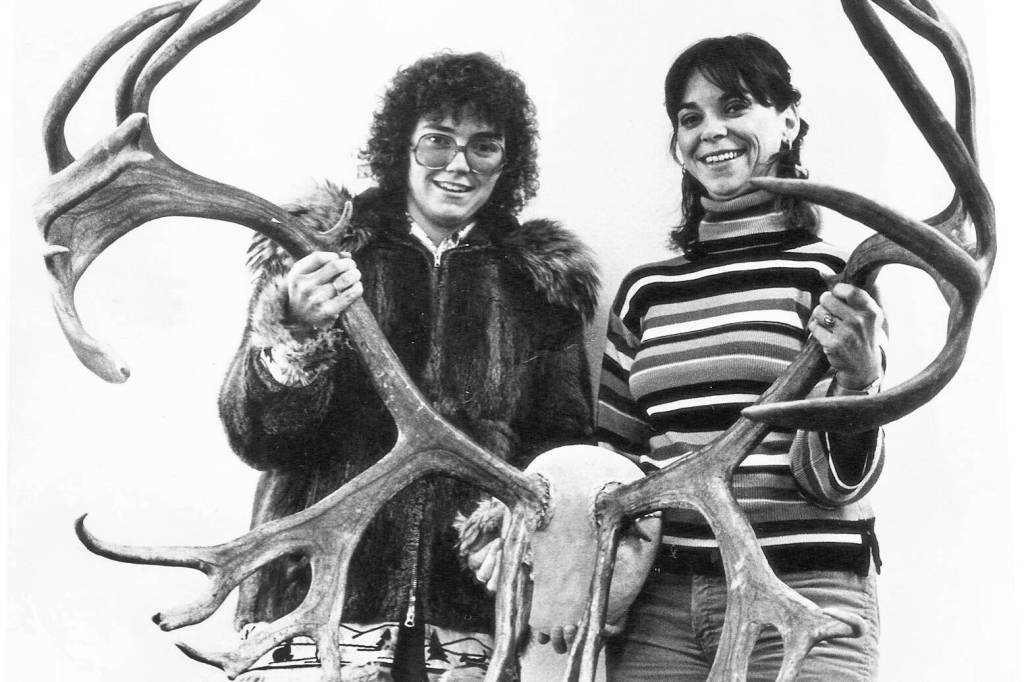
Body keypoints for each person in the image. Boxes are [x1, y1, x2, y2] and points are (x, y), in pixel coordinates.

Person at [218, 51, 598, 681]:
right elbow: (254, 437)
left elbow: (562, 448)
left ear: (508, 163)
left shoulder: (540, 285)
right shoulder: (319, 252)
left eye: (484, 146)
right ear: (402, 148)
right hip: (315, 603)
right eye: (437, 141)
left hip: (469, 619)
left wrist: (513, 527)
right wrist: (297, 331)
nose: (459, 164)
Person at [597, 35, 886, 681]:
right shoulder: (646, 291)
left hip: (804, 590)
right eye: (690, 117)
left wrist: (859, 382)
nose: (711, 131)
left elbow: (840, 480)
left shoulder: (832, 275)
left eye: (734, 107)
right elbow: (612, 460)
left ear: (788, 121)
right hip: (662, 607)